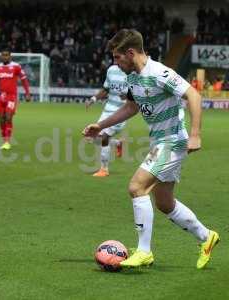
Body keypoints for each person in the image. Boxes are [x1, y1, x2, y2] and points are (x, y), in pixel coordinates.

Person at [83, 29, 219, 269]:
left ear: (131, 52)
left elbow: (194, 96)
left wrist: (196, 135)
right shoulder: (133, 78)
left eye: (117, 57)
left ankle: (144, 251)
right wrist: (101, 126)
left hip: (173, 141)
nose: (115, 62)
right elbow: (131, 108)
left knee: (137, 186)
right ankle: (206, 237)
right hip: (159, 141)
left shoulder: (159, 73)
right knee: (165, 202)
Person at [0, 49, 31, 150]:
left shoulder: (16, 66)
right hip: (1, 97)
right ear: (1, 57)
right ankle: (4, 140)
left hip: (12, 96)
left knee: (8, 117)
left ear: (10, 56)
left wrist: (27, 93)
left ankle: (7, 142)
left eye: (6, 55)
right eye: (3, 55)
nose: (4, 57)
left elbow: (24, 80)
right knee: (1, 119)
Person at [85, 65, 126, 177]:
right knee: (92, 137)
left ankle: (104, 169)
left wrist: (128, 95)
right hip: (107, 110)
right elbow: (106, 89)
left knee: (104, 137)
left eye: (118, 56)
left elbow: (136, 94)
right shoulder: (111, 70)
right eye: (114, 56)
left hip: (122, 112)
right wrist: (93, 99)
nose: (116, 59)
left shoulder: (132, 72)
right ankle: (118, 143)